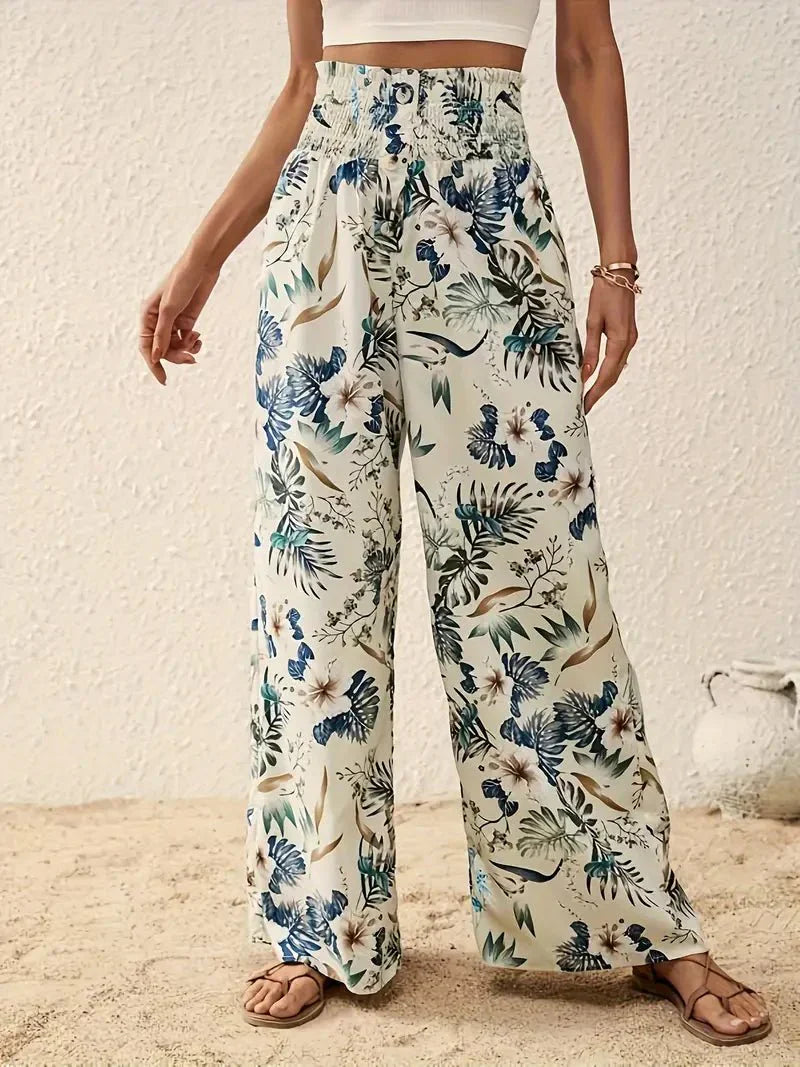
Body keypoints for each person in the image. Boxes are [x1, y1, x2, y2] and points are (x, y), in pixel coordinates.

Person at [138, 0, 771, 1047]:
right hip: (325, 218)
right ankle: (321, 920)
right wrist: (199, 256)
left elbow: (585, 51)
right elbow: (301, 85)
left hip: (490, 207)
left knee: (536, 572)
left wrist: (617, 264)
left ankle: (633, 916)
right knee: (318, 582)